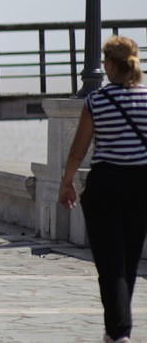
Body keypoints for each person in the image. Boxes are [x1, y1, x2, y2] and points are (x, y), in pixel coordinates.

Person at [60, 36, 147, 343]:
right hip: (141, 186)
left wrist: (67, 182)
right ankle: (115, 331)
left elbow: (78, 150)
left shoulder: (97, 101)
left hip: (107, 185)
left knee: (111, 265)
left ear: (109, 65)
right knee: (128, 262)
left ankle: (119, 332)